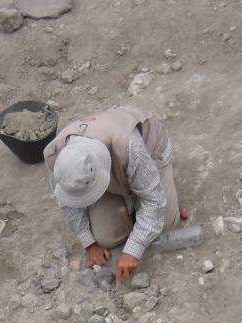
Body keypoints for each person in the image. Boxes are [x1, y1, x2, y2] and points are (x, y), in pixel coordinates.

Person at [43, 106, 186, 283]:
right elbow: (68, 202)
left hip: (150, 151)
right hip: (116, 170)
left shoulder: (129, 147)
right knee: (105, 238)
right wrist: (89, 243)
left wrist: (133, 250)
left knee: (166, 224)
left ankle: (154, 187)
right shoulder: (56, 157)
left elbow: (154, 202)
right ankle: (133, 197)